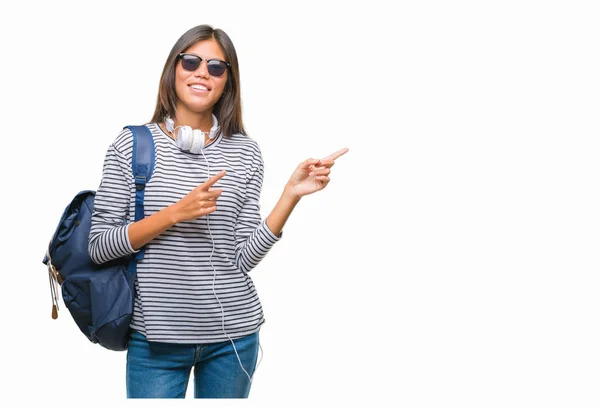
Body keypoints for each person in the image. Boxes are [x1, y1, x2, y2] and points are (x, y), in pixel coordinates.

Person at [88, 24, 348, 399]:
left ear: (227, 81)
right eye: (191, 61)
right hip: (156, 339)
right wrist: (174, 213)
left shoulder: (246, 152)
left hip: (233, 337)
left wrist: (290, 196)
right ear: (173, 70)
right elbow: (99, 246)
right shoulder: (132, 144)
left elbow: (241, 258)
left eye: (216, 67)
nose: (201, 73)